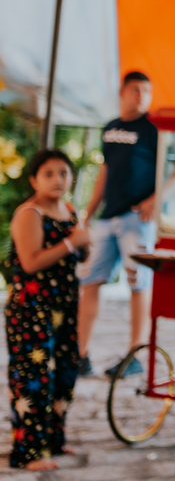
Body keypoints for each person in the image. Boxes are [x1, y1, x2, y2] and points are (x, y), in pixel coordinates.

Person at [77, 71, 175, 378]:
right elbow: (105, 171)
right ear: (123, 91)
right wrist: (89, 210)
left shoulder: (157, 127)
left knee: (138, 281)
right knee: (89, 281)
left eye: (146, 90)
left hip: (136, 218)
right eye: (136, 90)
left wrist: (156, 199)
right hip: (107, 216)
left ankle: (135, 352)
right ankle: (80, 354)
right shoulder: (110, 127)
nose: (141, 96)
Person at [6, 149, 91, 470]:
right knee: (33, 376)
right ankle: (28, 452)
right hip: (31, 308)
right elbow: (30, 263)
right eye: (49, 174)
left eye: (64, 173)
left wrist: (82, 243)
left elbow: (81, 254)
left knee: (67, 370)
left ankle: (53, 441)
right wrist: (71, 243)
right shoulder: (29, 213)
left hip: (65, 305)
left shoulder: (69, 209)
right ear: (34, 179)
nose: (58, 180)